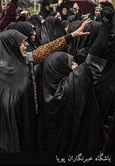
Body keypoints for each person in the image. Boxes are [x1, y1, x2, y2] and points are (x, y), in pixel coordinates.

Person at [0, 18, 91, 152]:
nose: (26, 44)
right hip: (5, 133)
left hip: (24, 126)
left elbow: (45, 50)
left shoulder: (23, 60)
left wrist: (71, 35)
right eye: (21, 42)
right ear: (11, 46)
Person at [36, 10, 114, 153]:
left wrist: (70, 36)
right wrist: (105, 28)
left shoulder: (45, 90)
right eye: (70, 64)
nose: (75, 65)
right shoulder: (69, 87)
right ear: (58, 69)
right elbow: (92, 63)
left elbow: (38, 54)